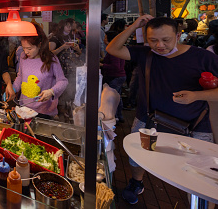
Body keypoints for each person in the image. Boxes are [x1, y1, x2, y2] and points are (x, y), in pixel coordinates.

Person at [106, 15, 218, 205]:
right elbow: (112, 49)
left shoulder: (204, 57)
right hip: (149, 119)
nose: (159, 45)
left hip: (195, 124)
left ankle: (198, 202)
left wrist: (196, 96)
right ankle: (136, 182)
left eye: (166, 39)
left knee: (202, 174)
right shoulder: (145, 54)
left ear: (179, 34)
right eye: (153, 40)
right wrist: (134, 25)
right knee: (138, 157)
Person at [9, 24, 68, 118]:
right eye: (23, 47)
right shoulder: (23, 57)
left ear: (40, 44)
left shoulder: (51, 59)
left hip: (44, 111)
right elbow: (20, 76)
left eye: (29, 48)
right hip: (24, 108)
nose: (26, 52)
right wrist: (13, 89)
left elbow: (63, 81)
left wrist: (51, 91)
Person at [49, 18, 82, 119]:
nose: (69, 28)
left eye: (70, 26)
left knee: (69, 91)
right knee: (60, 91)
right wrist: (62, 47)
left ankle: (67, 111)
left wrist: (77, 49)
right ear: (62, 25)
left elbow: (79, 53)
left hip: (71, 70)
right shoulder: (54, 38)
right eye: (67, 25)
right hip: (59, 69)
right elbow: (49, 53)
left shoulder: (70, 36)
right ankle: (59, 112)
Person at [101, 31, 126, 122]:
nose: (104, 39)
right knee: (117, 96)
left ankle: (114, 118)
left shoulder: (112, 51)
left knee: (111, 99)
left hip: (116, 77)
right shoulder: (117, 49)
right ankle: (119, 116)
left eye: (105, 38)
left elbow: (116, 66)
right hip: (120, 76)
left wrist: (102, 65)